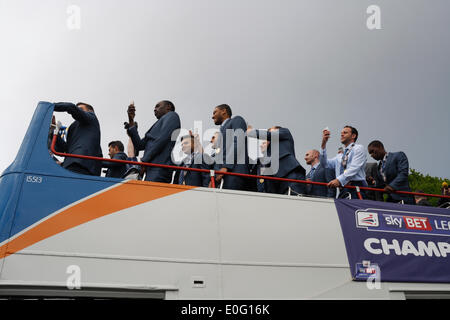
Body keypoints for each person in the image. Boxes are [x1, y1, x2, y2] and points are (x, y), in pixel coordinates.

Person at [125, 100, 181, 183]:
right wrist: (131, 119)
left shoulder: (172, 115)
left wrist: (144, 160)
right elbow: (139, 145)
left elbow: (163, 138)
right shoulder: (158, 123)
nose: (154, 109)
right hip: (151, 169)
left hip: (160, 167)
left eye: (158, 106)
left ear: (168, 107)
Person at [247, 126, 306, 195]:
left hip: (291, 177)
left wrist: (251, 132)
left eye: (270, 131)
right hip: (278, 184)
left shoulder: (285, 132)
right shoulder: (266, 160)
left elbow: (269, 135)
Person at [53, 102, 103, 176]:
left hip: (81, 164)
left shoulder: (91, 117)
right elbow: (64, 149)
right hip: (73, 164)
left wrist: (51, 106)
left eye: (80, 109)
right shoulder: (76, 128)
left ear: (90, 111)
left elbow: (71, 107)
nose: (78, 110)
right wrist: (54, 128)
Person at [320, 126, 367, 199]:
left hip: (356, 187)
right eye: (341, 133)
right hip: (343, 189)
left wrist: (339, 180)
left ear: (353, 136)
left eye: (345, 133)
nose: (342, 135)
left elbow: (354, 168)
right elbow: (324, 164)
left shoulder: (358, 148)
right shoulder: (340, 156)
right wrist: (323, 144)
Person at [210, 104, 250, 190]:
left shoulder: (236, 120)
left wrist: (226, 166)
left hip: (235, 173)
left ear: (224, 111)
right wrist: (215, 177)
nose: (212, 117)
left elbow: (238, 142)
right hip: (223, 176)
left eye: (215, 112)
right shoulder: (220, 132)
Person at [367, 140, 415, 204]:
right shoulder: (378, 167)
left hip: (404, 198)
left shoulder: (398, 155)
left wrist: (392, 186)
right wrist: (373, 182)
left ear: (380, 147)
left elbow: (403, 173)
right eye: (370, 153)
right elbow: (381, 185)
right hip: (391, 201)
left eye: (372, 151)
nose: (371, 155)